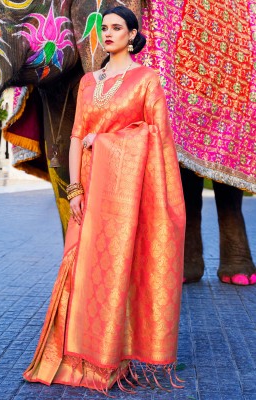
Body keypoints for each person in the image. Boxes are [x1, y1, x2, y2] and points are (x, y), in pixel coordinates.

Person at [23, 5, 186, 395]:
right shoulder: (87, 83)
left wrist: (109, 141)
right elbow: (77, 134)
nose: (108, 33)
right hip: (89, 191)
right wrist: (74, 189)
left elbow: (157, 137)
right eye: (104, 27)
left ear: (132, 35)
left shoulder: (147, 80)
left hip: (125, 196)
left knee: (119, 270)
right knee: (78, 269)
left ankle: (109, 362)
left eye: (116, 28)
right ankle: (69, 359)